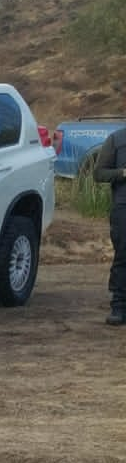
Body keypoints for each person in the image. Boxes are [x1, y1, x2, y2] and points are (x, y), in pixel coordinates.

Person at [90, 125, 126, 324]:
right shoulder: (117, 139)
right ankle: (119, 307)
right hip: (123, 208)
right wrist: (122, 173)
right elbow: (99, 173)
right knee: (123, 255)